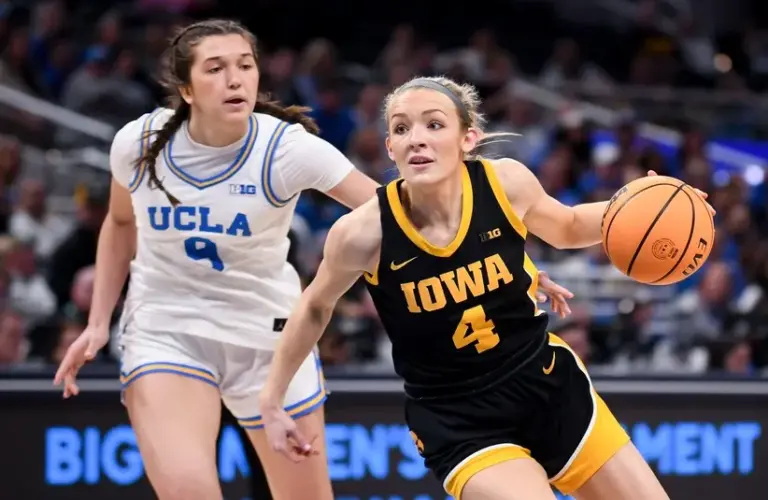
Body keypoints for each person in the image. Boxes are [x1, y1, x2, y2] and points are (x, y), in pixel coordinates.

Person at [51, 20, 573, 500]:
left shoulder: (287, 148)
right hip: (169, 327)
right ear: (186, 90)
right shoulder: (137, 143)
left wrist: (513, 265)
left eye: (245, 65)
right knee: (189, 489)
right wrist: (99, 323)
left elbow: (403, 219)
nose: (235, 79)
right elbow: (121, 225)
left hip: (270, 334)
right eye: (216, 69)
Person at [258, 76, 705, 500]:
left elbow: (567, 226)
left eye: (434, 124)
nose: (417, 137)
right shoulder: (361, 233)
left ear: (467, 138)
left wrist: (637, 206)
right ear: (390, 146)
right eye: (401, 128)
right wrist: (273, 396)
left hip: (545, 384)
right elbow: (315, 307)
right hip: (459, 418)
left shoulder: (504, 181)